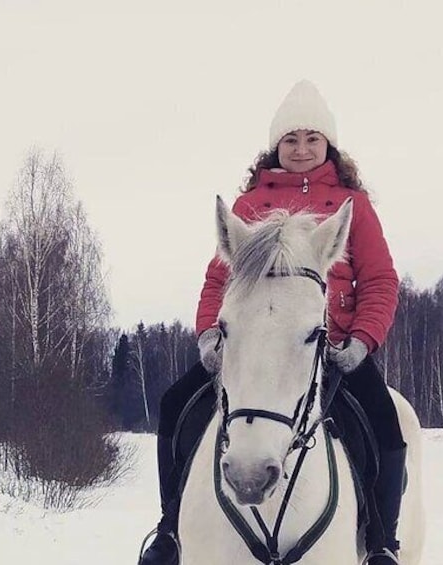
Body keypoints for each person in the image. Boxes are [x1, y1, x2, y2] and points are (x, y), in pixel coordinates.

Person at [138, 80, 405, 565]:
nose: (301, 149)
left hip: (333, 345)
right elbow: (216, 282)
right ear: (275, 147)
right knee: (177, 405)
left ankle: (383, 542)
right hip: (252, 346)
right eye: (290, 140)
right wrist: (209, 335)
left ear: (329, 145)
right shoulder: (248, 207)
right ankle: (171, 529)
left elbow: (382, 279)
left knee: (387, 428)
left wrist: (363, 341)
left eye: (312, 139)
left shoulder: (353, 207)